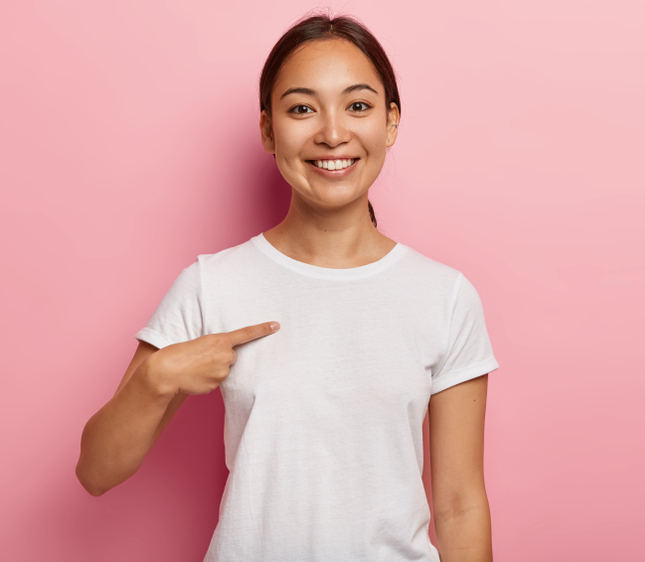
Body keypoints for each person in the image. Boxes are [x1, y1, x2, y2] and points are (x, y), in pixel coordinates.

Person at [75, 13, 498, 562]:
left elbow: (461, 504)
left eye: (358, 105)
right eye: (302, 108)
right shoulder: (211, 285)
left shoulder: (445, 297)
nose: (331, 132)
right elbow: (95, 472)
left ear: (391, 123)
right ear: (269, 129)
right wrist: (154, 379)